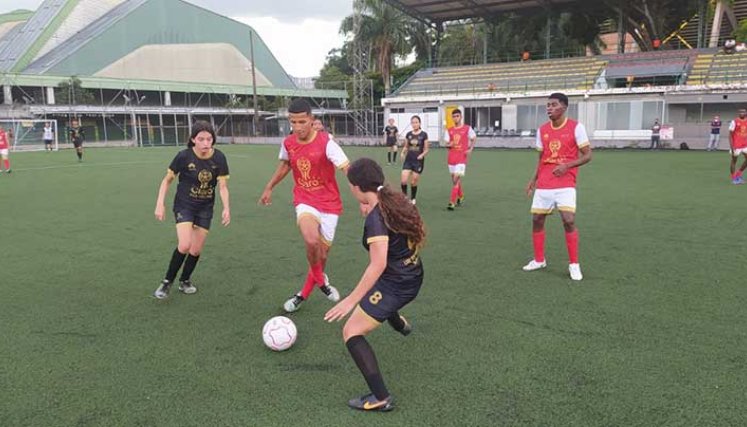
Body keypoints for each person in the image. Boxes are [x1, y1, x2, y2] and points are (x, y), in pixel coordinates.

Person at [324, 157, 425, 412]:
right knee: (375, 288)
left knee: (352, 332)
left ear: (357, 186)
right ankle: (399, 323)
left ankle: (380, 397)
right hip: (412, 272)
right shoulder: (395, 200)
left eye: (350, 185)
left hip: (397, 283)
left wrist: (350, 300)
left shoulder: (377, 218)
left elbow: (377, 265)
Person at [260, 98, 349, 312]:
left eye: (302, 122)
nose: (297, 127)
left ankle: (306, 292)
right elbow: (285, 166)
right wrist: (269, 187)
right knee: (311, 241)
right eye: (293, 122)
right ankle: (321, 283)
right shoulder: (288, 143)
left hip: (329, 203)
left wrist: (364, 197)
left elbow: (347, 168)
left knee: (322, 255)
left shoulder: (327, 142)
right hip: (305, 199)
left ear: (311, 119)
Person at [153, 121, 230, 299]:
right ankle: (166, 282)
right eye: (201, 139)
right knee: (185, 245)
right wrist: (160, 203)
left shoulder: (219, 158)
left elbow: (223, 186)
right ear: (193, 139)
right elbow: (166, 181)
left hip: (205, 207)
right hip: (184, 205)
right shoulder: (183, 157)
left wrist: (226, 208)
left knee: (195, 250)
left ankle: (185, 280)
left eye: (209, 139)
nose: (205, 143)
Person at [523, 92, 592, 281]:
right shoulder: (542, 130)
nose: (549, 108)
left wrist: (567, 166)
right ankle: (539, 260)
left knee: (568, 220)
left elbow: (587, 155)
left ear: (564, 107)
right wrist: (533, 180)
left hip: (566, 182)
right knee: (537, 220)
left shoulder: (576, 128)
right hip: (544, 183)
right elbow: (541, 158)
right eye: (548, 105)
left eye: (553, 105)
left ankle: (574, 264)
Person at [445, 109, 476, 210]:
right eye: (454, 116)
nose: (456, 118)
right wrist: (450, 144)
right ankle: (461, 196)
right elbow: (446, 144)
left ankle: (452, 202)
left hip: (461, 159)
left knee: (455, 179)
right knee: (455, 181)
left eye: (457, 116)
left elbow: (474, 138)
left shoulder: (467, 128)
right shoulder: (449, 130)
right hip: (451, 159)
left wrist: (470, 149)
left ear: (461, 117)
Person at [400, 116, 429, 205]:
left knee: (413, 181)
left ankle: (413, 198)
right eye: (413, 122)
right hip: (408, 160)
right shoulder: (408, 134)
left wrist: (422, 155)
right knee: (404, 180)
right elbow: (406, 146)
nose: (414, 124)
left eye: (416, 122)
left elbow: (427, 149)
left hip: (418, 161)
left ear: (419, 123)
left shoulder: (424, 134)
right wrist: (402, 153)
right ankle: (405, 197)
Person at [728, 109, 747, 184]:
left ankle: (738, 174)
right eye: (740, 112)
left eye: (743, 112)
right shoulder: (734, 121)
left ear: (746, 113)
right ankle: (734, 178)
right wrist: (731, 146)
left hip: (745, 145)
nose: (742, 113)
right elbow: (730, 135)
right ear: (738, 113)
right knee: (734, 161)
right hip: (736, 145)